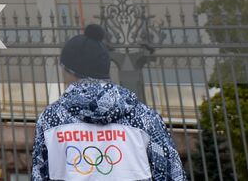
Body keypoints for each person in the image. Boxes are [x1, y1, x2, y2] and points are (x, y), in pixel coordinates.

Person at [31, 24, 186, 180]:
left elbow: (39, 175)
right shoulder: (144, 117)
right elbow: (170, 173)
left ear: (70, 70)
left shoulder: (51, 120)